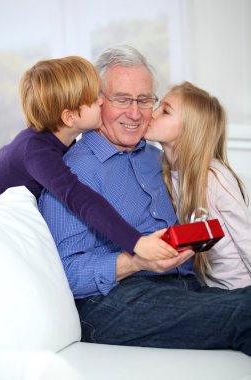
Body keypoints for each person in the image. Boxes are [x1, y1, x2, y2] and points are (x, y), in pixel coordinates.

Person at [39, 45, 251, 356]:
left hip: (183, 288)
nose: (136, 113)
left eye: (145, 100)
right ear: (95, 102)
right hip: (116, 302)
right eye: (122, 99)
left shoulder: (157, 157)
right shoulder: (73, 173)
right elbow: (65, 274)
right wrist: (135, 260)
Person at [0, 55, 175, 261]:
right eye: (93, 99)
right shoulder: (37, 152)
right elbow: (81, 199)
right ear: (69, 117)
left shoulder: (62, 142)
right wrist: (136, 242)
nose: (101, 101)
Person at [145, 81, 251, 289]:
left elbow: (247, 240)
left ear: (189, 130)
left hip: (241, 292)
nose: (153, 114)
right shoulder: (167, 174)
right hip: (207, 292)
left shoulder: (214, 176)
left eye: (165, 111)